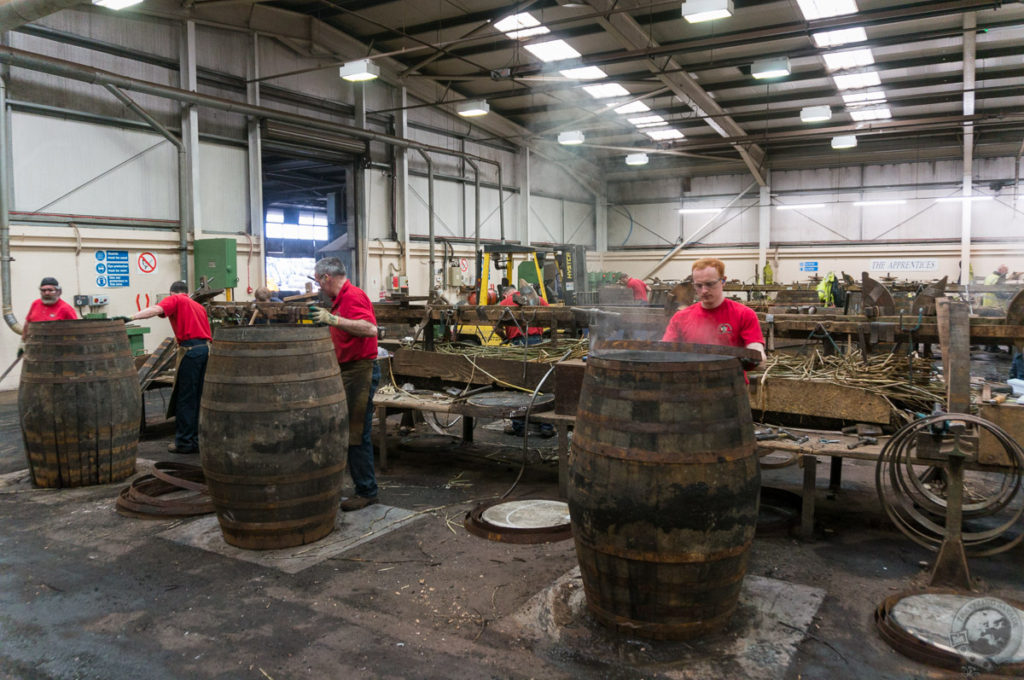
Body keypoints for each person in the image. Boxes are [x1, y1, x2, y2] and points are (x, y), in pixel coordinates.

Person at [310, 257, 381, 512]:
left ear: (326, 278)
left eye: (318, 281)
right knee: (346, 430)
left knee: (356, 432)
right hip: (346, 370)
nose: (318, 286)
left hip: (359, 371)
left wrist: (334, 320)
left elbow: (370, 329)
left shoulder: (353, 296)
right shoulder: (340, 301)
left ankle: (367, 491)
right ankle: (356, 484)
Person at [131, 281, 212, 454]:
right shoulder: (199, 306)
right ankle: (196, 440)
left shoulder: (177, 300)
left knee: (185, 398)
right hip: (204, 351)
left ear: (171, 293)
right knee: (197, 397)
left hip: (190, 352)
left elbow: (155, 310)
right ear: (188, 292)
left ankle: (184, 442)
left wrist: (131, 317)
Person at [662, 258, 765, 376]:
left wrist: (756, 356)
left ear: (723, 281)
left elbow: (756, 349)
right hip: (690, 386)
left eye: (710, 284)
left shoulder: (744, 314)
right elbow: (666, 351)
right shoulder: (680, 317)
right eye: (698, 286)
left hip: (732, 387)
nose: (704, 290)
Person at [499, 281, 555, 438]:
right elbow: (553, 316)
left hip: (517, 345)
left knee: (519, 384)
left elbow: (495, 326)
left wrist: (504, 337)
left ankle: (519, 427)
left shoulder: (505, 302)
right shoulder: (538, 299)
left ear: (506, 294)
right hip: (536, 343)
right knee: (542, 384)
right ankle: (546, 426)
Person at [499, 280, 549, 346]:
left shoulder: (504, 303)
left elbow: (496, 327)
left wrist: (504, 337)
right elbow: (550, 313)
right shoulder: (538, 299)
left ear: (505, 295)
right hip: (536, 339)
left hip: (516, 341)